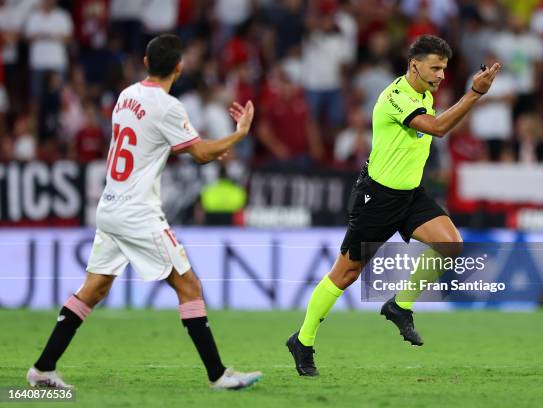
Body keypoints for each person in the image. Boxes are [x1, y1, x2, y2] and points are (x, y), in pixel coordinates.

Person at [27, 34, 262, 390]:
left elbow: (151, 142)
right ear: (179, 67)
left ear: (147, 62)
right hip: (138, 212)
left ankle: (42, 369)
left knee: (94, 288)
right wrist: (238, 135)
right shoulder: (168, 106)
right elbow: (199, 153)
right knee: (189, 284)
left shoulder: (126, 96)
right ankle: (219, 375)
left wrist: (197, 147)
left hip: (110, 205)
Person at [286, 35, 501, 376]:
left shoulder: (424, 94)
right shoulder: (395, 97)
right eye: (436, 68)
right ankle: (304, 339)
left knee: (451, 244)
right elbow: (438, 128)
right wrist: (474, 93)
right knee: (345, 274)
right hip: (377, 198)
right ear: (414, 65)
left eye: (444, 69)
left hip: (411, 195)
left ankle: (400, 307)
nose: (441, 75)